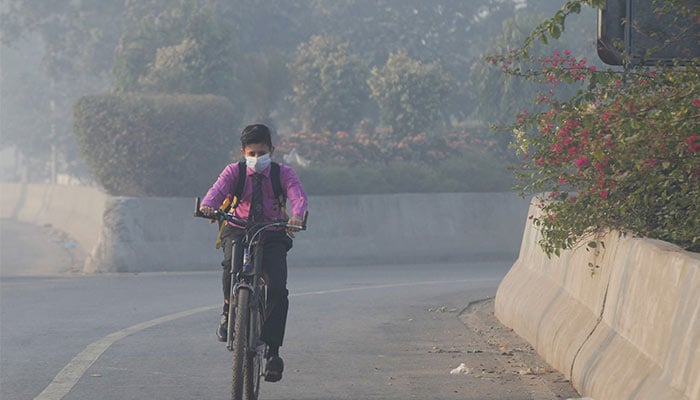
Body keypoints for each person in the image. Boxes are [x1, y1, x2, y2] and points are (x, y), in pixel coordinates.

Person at [199, 124, 308, 383]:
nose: (257, 158)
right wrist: (208, 206)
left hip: (272, 232)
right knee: (230, 267)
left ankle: (272, 352)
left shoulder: (284, 173)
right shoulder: (233, 172)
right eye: (252, 153)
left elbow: (298, 196)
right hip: (238, 229)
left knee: (278, 289)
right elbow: (216, 193)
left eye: (262, 152)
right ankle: (228, 311)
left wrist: (296, 215)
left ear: (272, 150)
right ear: (243, 152)